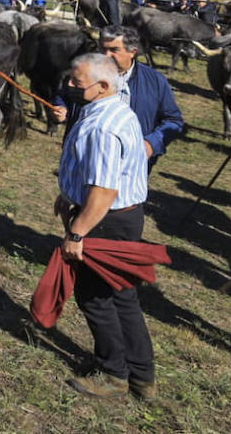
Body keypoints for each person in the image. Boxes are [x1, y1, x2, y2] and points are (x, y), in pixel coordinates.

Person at [54, 53, 156, 399]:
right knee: (123, 296)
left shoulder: (101, 127)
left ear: (102, 86)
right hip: (124, 216)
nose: (68, 85)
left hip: (104, 221)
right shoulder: (117, 111)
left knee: (95, 297)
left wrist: (77, 232)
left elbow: (103, 190)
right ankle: (143, 377)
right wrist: (69, 193)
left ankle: (114, 374)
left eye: (76, 82)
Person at [53, 25, 184, 167]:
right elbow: (62, 95)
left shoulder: (155, 81)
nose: (106, 55)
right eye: (103, 49)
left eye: (114, 50)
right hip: (83, 160)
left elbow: (173, 120)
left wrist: (151, 144)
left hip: (130, 165)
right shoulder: (83, 73)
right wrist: (62, 108)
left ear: (132, 52)